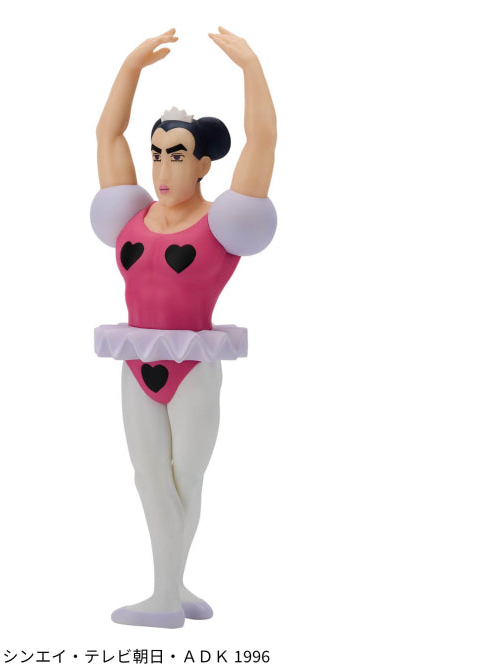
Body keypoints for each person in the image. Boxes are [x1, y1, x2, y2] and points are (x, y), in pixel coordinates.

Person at [90, 27, 277, 629]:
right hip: (135, 359)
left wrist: (250, 67)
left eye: (176, 154)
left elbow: (263, 140)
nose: (162, 166)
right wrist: (129, 68)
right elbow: (107, 135)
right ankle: (171, 589)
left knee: (184, 478)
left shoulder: (224, 222)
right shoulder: (130, 215)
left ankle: (166, 595)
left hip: (194, 365)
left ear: (202, 163)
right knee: (150, 478)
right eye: (157, 153)